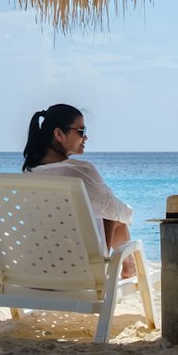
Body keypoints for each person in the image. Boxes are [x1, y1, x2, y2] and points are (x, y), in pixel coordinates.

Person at [22, 103, 136, 263]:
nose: (86, 137)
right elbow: (113, 209)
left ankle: (128, 269)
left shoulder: (29, 173)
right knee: (114, 219)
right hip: (80, 269)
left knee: (107, 217)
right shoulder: (78, 172)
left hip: (38, 264)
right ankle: (129, 269)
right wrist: (130, 212)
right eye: (81, 131)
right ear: (59, 134)